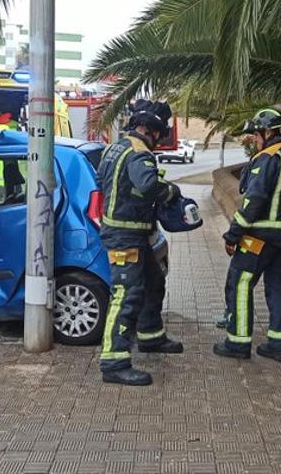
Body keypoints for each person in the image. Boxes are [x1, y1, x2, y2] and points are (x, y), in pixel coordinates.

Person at [97, 99, 183, 386]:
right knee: (126, 294)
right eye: (160, 134)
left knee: (153, 282)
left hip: (133, 232)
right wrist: (170, 191)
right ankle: (114, 362)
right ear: (153, 130)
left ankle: (151, 336)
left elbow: (106, 183)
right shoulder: (139, 153)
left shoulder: (114, 148)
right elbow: (147, 185)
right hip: (125, 235)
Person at [213, 106, 281, 363]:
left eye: (256, 135)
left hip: (259, 237)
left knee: (240, 284)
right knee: (278, 286)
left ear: (269, 132)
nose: (254, 140)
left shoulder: (268, 158)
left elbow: (253, 201)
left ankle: (238, 343)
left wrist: (233, 235)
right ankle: (279, 345)